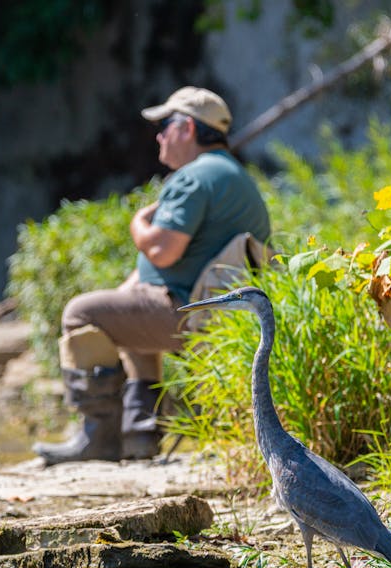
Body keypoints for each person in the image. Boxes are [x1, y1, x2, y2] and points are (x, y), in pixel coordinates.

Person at [33, 86, 271, 465]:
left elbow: (163, 249)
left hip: (186, 312)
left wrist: (137, 223)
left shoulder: (196, 177)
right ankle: (140, 436)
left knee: (80, 313)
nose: (159, 136)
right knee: (124, 317)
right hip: (214, 314)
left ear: (188, 129)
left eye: (166, 126)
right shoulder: (234, 176)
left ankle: (99, 438)